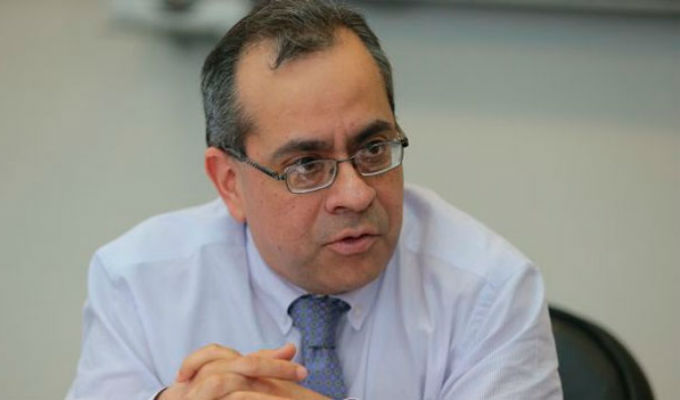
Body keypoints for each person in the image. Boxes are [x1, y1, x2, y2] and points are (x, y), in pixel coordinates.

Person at [67, 1, 563, 399]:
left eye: (373, 149)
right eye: (306, 165)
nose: (356, 193)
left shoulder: (490, 291)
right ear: (230, 183)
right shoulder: (137, 283)